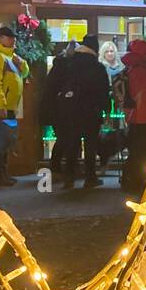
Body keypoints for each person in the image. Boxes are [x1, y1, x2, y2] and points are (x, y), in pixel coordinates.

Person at [60, 35, 111, 190]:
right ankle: (90, 177)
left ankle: (69, 178)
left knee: (72, 145)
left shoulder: (71, 64)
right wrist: (107, 110)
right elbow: (103, 91)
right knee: (91, 145)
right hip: (91, 112)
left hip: (72, 110)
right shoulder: (98, 67)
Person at [0, 25, 29, 186]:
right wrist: (1, 105)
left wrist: (22, 63)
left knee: (6, 139)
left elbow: (24, 74)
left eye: (14, 38)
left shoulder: (11, 57)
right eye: (10, 38)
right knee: (0, 141)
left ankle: (3, 174)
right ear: (0, 39)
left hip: (8, 106)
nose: (13, 40)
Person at [120, 39, 146, 194]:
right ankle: (136, 181)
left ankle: (129, 180)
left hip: (134, 116)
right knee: (143, 152)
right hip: (145, 116)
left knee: (135, 151)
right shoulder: (142, 69)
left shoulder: (131, 67)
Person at [39, 39, 76, 176]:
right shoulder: (66, 68)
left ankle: (57, 166)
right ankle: (57, 167)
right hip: (60, 109)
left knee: (63, 137)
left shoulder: (57, 66)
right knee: (65, 137)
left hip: (54, 108)